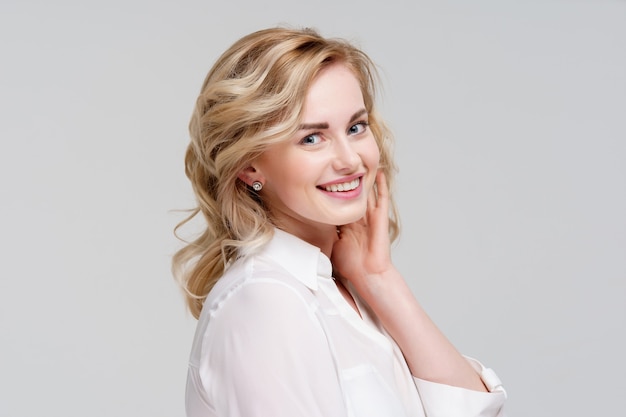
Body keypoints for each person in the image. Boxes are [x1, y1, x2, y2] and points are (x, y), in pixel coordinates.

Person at [173, 27, 507, 417]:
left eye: (355, 127)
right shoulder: (266, 300)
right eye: (312, 139)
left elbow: (472, 410)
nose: (350, 159)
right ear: (249, 165)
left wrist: (379, 278)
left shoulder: (341, 288)